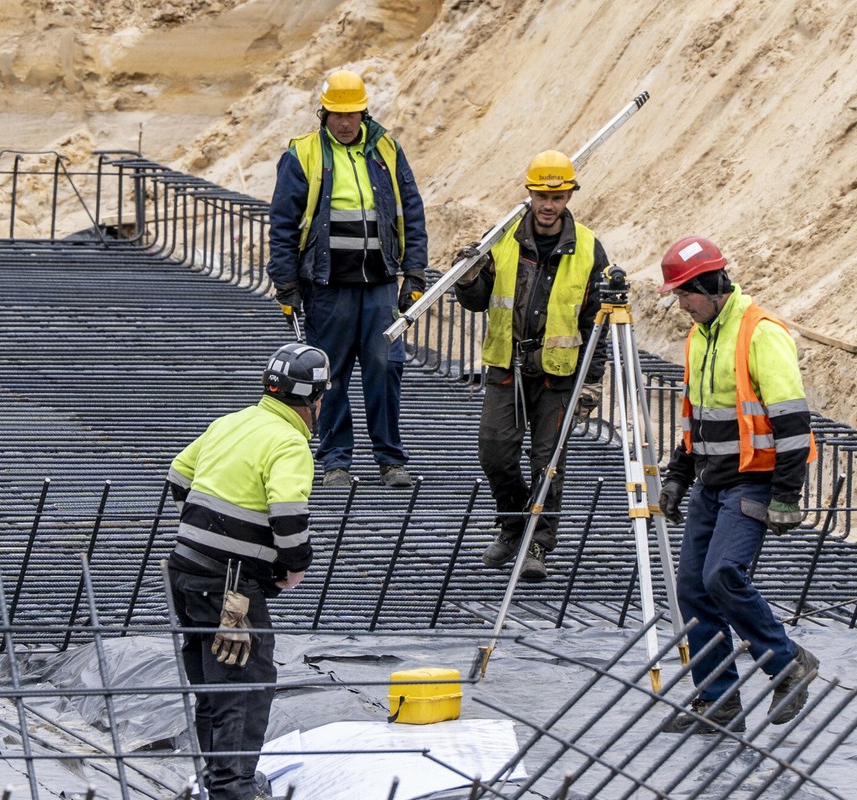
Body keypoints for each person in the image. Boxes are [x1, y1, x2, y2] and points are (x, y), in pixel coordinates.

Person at [656, 235, 819, 733]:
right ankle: (719, 700)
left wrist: (788, 494)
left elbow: (792, 421)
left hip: (755, 480)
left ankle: (788, 662)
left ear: (710, 285)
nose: (680, 304)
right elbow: (699, 420)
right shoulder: (700, 335)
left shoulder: (759, 332)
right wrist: (678, 478)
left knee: (722, 574)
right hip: (711, 482)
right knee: (691, 587)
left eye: (685, 293)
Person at [166, 343, 325, 800]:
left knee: (212, 683)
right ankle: (233, 790)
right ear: (316, 400)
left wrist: (204, 529)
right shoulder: (289, 441)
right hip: (229, 587)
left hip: (185, 573)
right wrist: (293, 568)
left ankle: (218, 780)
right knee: (245, 685)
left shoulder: (232, 421)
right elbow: (290, 517)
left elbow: (178, 474)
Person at [266, 69, 429, 489]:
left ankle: (391, 461)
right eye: (337, 115)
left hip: (378, 285)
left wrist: (414, 272)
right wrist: (286, 284)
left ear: (363, 112)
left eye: (351, 114)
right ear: (324, 113)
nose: (344, 123)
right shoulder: (303, 154)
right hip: (328, 286)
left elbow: (411, 210)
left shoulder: (387, 150)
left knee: (385, 368)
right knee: (328, 374)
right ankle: (336, 462)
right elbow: (282, 223)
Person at [452, 150, 609, 581]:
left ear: (570, 196)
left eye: (557, 197)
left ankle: (539, 541)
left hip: (558, 374)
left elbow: (598, 321)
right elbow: (477, 300)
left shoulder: (589, 249)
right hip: (508, 366)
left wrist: (592, 383)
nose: (548, 204)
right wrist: (468, 278)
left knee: (548, 460)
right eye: (541, 195)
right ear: (530, 193)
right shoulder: (501, 237)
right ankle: (513, 523)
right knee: (495, 452)